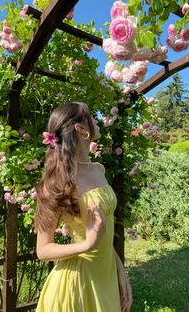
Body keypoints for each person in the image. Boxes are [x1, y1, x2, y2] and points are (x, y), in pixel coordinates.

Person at [35, 102, 132, 312]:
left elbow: (103, 232)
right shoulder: (56, 181)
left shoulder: (99, 169)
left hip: (105, 275)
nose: (96, 121)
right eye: (92, 117)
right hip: (78, 286)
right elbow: (43, 250)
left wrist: (120, 271)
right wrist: (86, 245)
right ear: (81, 128)